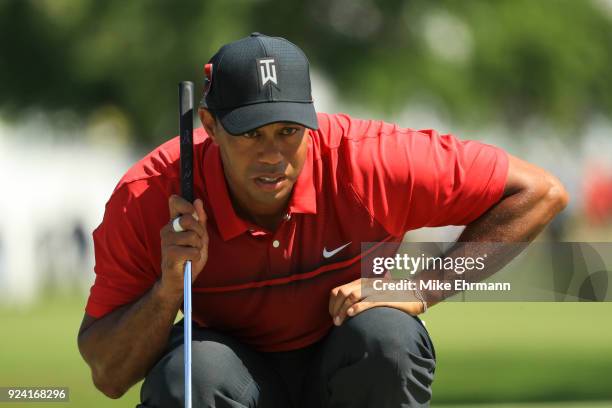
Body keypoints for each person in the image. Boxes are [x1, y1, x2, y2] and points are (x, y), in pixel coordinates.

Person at [77, 33, 569, 408]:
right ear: (209, 127)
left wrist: (424, 286)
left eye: (289, 131)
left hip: (344, 361)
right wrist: (166, 292)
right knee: (191, 374)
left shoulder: (369, 160)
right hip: (230, 373)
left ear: (312, 119)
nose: (273, 156)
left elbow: (540, 192)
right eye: (251, 134)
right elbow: (109, 374)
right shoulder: (150, 194)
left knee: (388, 338)